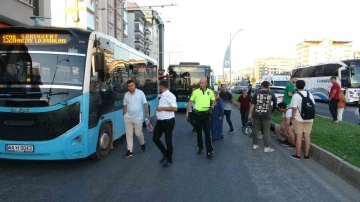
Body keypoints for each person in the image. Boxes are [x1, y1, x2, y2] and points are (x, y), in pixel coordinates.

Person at [186, 78, 216, 159]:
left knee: (207, 133)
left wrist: (213, 105)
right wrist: (187, 112)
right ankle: (200, 147)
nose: (201, 84)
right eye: (200, 83)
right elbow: (190, 102)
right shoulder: (195, 92)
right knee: (199, 133)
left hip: (206, 115)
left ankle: (209, 151)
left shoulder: (210, 92)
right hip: (197, 115)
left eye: (202, 83)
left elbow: (214, 101)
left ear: (206, 83)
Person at [153, 80, 177, 167]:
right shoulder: (161, 95)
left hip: (168, 121)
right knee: (155, 138)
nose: (158, 88)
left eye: (159, 86)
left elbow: (175, 108)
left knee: (168, 140)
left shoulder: (170, 96)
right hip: (160, 121)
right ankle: (165, 153)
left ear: (162, 86)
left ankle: (169, 159)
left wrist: (162, 108)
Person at [123, 80, 149, 158]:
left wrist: (147, 113)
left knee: (138, 133)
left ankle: (142, 142)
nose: (130, 87)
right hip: (128, 117)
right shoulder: (126, 95)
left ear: (135, 86)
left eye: (132, 85)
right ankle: (130, 151)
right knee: (129, 134)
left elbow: (145, 103)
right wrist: (125, 115)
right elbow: (125, 105)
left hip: (138, 117)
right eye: (129, 86)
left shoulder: (140, 93)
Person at [249, 81, 277, 152]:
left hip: (256, 114)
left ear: (261, 85)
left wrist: (250, 113)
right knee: (266, 131)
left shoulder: (256, 93)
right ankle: (266, 147)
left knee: (255, 129)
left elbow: (252, 104)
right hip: (266, 115)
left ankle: (255, 145)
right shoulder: (271, 94)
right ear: (268, 86)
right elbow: (275, 103)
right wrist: (271, 110)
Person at [290, 80, 315, 160]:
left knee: (299, 137)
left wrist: (292, 117)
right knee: (307, 136)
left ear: (296, 86)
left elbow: (294, 108)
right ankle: (306, 155)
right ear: (304, 86)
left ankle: (298, 155)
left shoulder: (296, 95)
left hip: (299, 119)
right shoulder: (310, 94)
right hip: (309, 119)